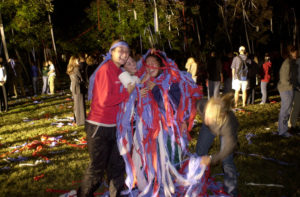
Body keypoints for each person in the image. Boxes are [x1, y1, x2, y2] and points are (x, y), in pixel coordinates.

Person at [77, 40, 135, 197]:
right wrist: (127, 93)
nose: (124, 53)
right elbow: (104, 101)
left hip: (115, 126)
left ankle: (115, 193)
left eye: (127, 51)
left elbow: (133, 83)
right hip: (99, 125)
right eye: (120, 50)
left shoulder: (119, 71)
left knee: (116, 165)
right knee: (97, 168)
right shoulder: (106, 69)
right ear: (112, 52)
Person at [196, 93, 239, 197]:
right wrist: (185, 122)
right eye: (205, 115)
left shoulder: (228, 124)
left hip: (223, 128)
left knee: (227, 160)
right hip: (208, 129)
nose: (206, 120)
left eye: (209, 118)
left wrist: (211, 159)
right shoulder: (201, 105)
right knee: (200, 151)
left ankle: (230, 191)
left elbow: (227, 149)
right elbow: (187, 109)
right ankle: (199, 181)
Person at [277, 45, 298, 137]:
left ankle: (283, 129)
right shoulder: (287, 63)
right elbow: (285, 78)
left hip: (289, 88)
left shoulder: (292, 62)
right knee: (285, 110)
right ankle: (282, 130)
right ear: (290, 53)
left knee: (287, 109)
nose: (296, 53)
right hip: (286, 89)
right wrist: (292, 85)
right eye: (294, 52)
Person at [67, 56, 86, 126]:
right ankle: (81, 120)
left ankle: (77, 119)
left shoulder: (70, 68)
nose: (79, 62)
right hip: (79, 87)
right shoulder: (76, 68)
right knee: (80, 104)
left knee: (76, 104)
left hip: (74, 87)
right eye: (77, 61)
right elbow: (81, 78)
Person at [288, 53, 300, 133]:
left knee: (295, 106)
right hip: (297, 87)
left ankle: (291, 124)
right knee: (296, 106)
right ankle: (291, 125)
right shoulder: (297, 63)